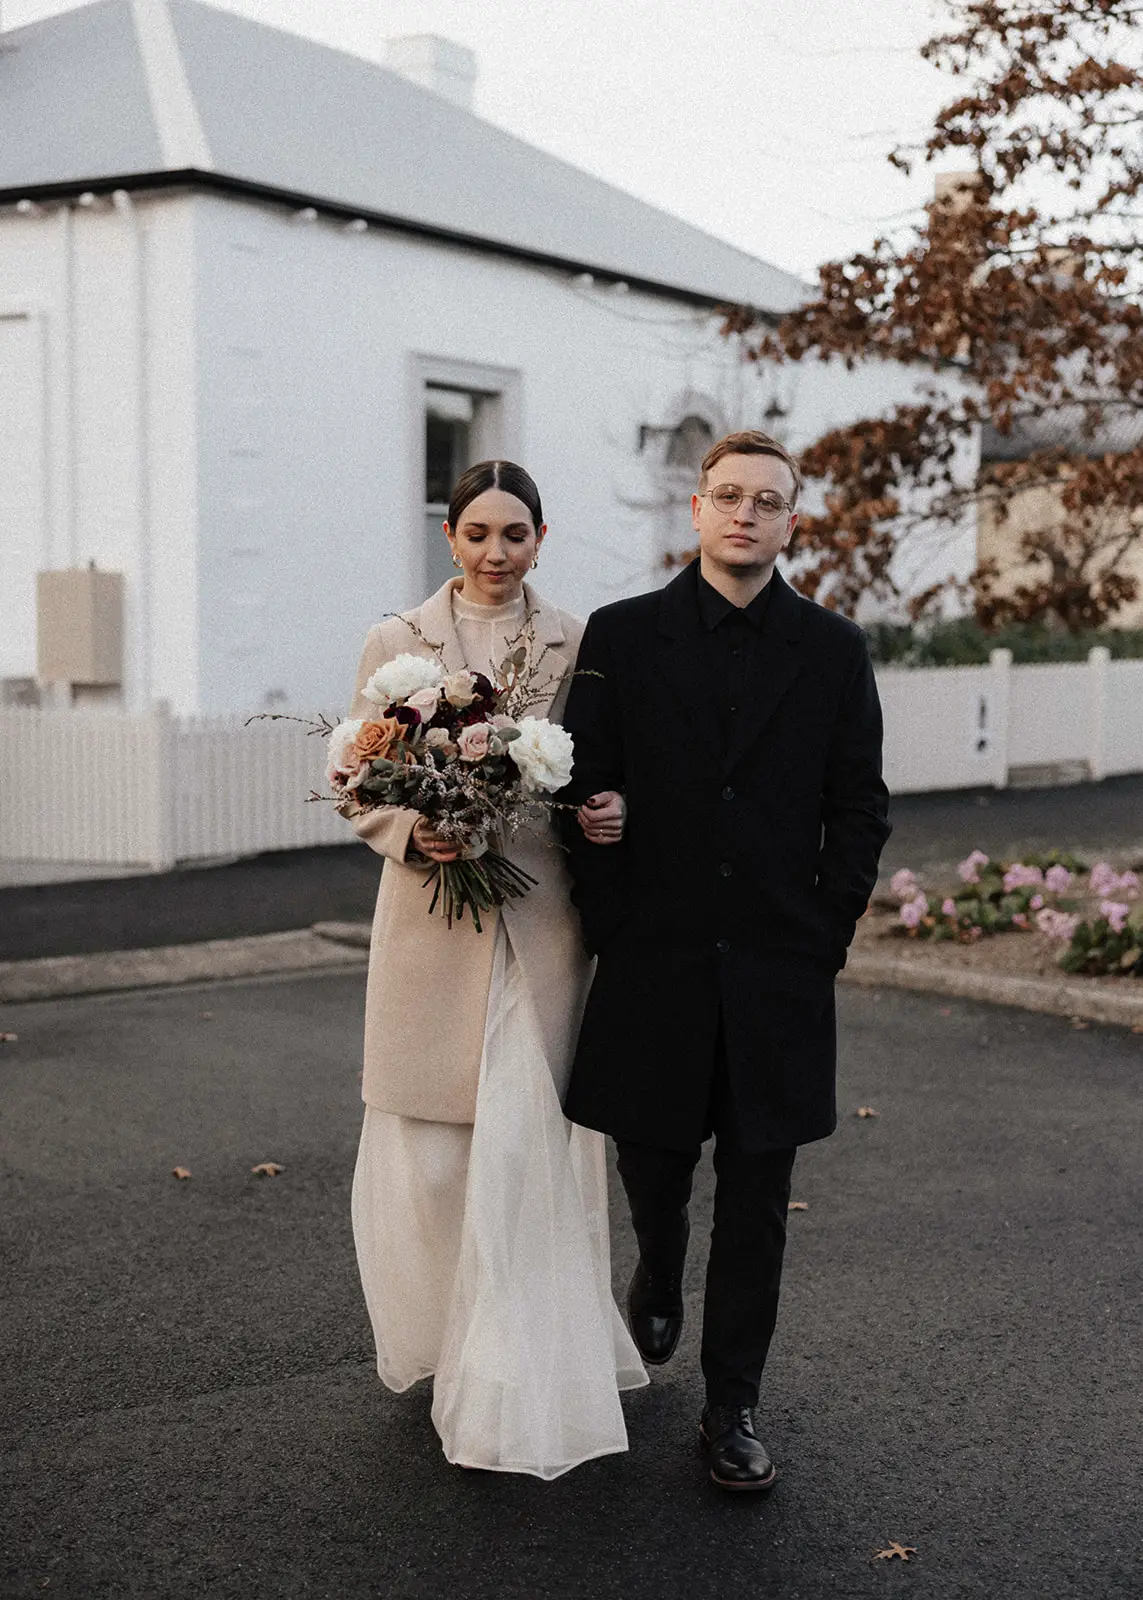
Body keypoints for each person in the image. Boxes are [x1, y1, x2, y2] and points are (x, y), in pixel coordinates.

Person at [558, 430, 891, 1491]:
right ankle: (658, 1261)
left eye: (769, 500)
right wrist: (609, 914)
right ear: (695, 510)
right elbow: (578, 789)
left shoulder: (834, 650)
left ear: (793, 521)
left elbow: (860, 807)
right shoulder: (621, 634)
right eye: (728, 496)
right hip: (653, 961)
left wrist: (823, 933)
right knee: (653, 1165)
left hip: (777, 973)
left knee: (757, 1203)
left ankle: (732, 1405)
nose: (746, 513)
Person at [344, 459, 646, 1480]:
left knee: (525, 1151)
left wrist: (603, 809)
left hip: (538, 921)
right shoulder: (397, 640)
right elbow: (353, 771)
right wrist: (407, 827)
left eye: (514, 533)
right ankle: (442, 1331)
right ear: (450, 535)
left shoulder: (576, 640)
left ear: (540, 538)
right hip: (433, 918)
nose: (495, 550)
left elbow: (599, 765)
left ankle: (521, 1361)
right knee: (432, 1161)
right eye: (478, 532)